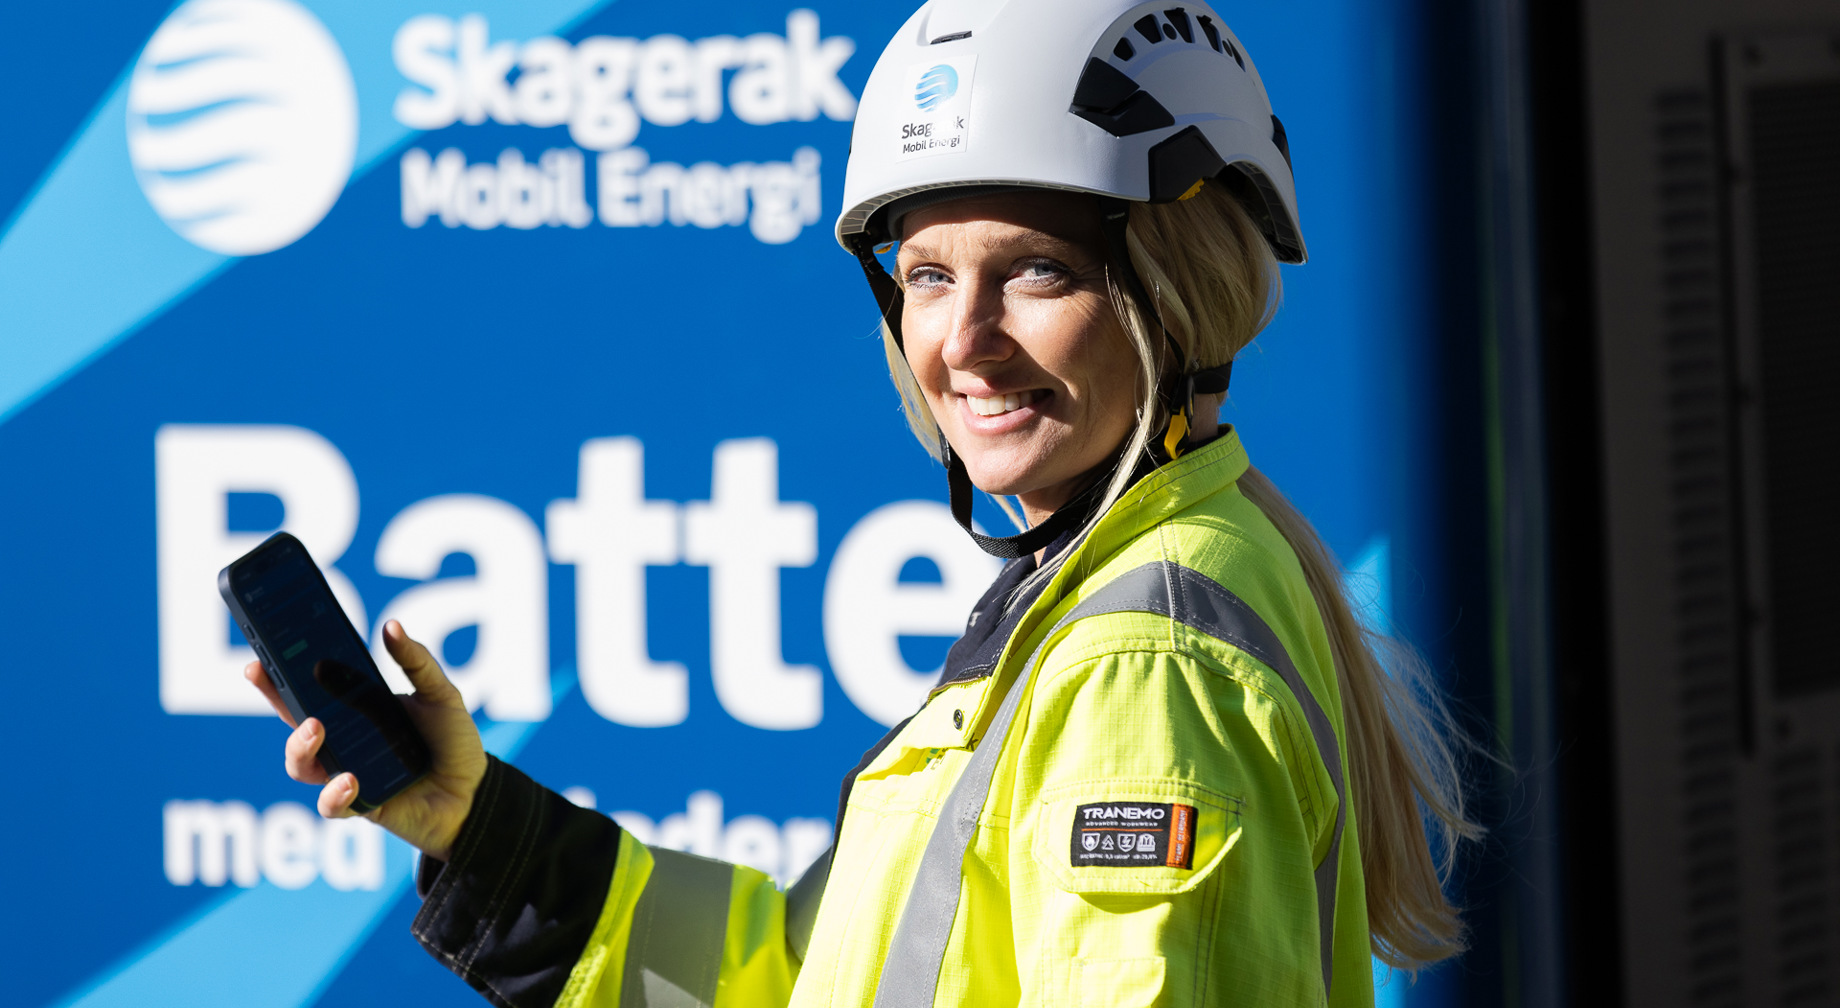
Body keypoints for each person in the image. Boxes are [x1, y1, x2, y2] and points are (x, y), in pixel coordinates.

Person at [247, 2, 1481, 1005]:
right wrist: (483, 833)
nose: (963, 342)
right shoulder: (1106, 587)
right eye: (928, 276)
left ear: (1183, 291)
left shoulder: (1136, 658)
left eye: (1038, 271)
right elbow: (800, 975)